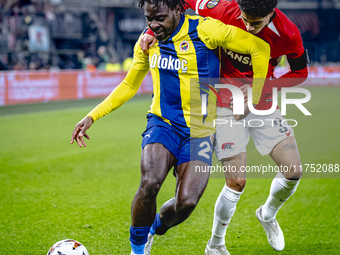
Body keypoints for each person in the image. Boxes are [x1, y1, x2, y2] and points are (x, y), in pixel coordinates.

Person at [71, 0, 270, 254]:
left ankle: (154, 227)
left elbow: (260, 48)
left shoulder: (207, 30)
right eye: (148, 19)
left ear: (179, 10)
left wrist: (253, 98)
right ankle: (138, 250)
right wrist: (92, 116)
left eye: (160, 19)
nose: (154, 25)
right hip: (162, 123)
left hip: (200, 130)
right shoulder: (148, 41)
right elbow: (130, 85)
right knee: (150, 181)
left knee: (186, 202)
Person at [140, 0, 308, 254]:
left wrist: (261, 89)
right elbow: (175, 3)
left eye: (256, 23)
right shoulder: (220, 7)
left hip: (263, 103)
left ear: (271, 14)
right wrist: (152, 30)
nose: (249, 28)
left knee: (293, 171)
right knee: (237, 181)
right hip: (225, 104)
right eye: (245, 19)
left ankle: (267, 214)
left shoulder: (288, 33)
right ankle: (215, 245)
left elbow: (301, 72)